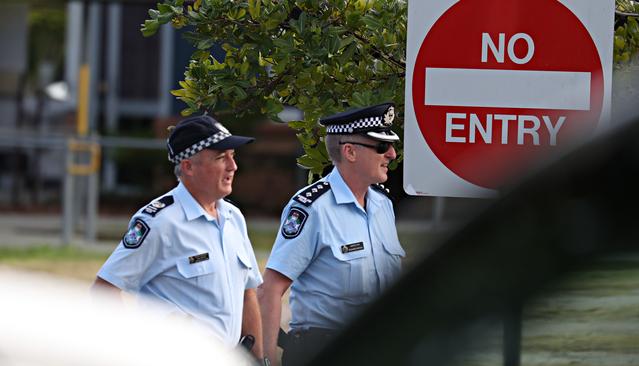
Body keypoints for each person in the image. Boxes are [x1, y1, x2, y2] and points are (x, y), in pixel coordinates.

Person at [92, 115, 264, 360]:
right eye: (220, 158)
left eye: (232, 156)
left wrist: (259, 359)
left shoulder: (233, 217)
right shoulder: (160, 221)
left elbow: (248, 293)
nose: (232, 166)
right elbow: (104, 291)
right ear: (188, 167)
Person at [257, 102, 406, 366]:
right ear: (350, 152)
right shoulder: (311, 208)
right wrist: (267, 361)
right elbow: (270, 289)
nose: (392, 154)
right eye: (382, 147)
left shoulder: (383, 204)